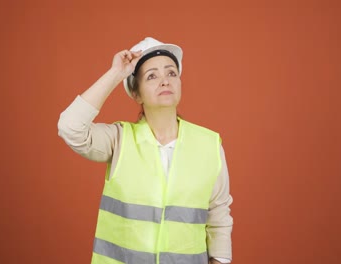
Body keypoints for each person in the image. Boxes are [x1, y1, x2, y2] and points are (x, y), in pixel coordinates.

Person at [58, 37, 233, 264]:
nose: (164, 81)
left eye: (171, 73)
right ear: (136, 94)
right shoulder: (119, 140)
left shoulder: (209, 144)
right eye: (152, 76)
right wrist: (116, 74)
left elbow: (218, 215)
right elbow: (70, 127)